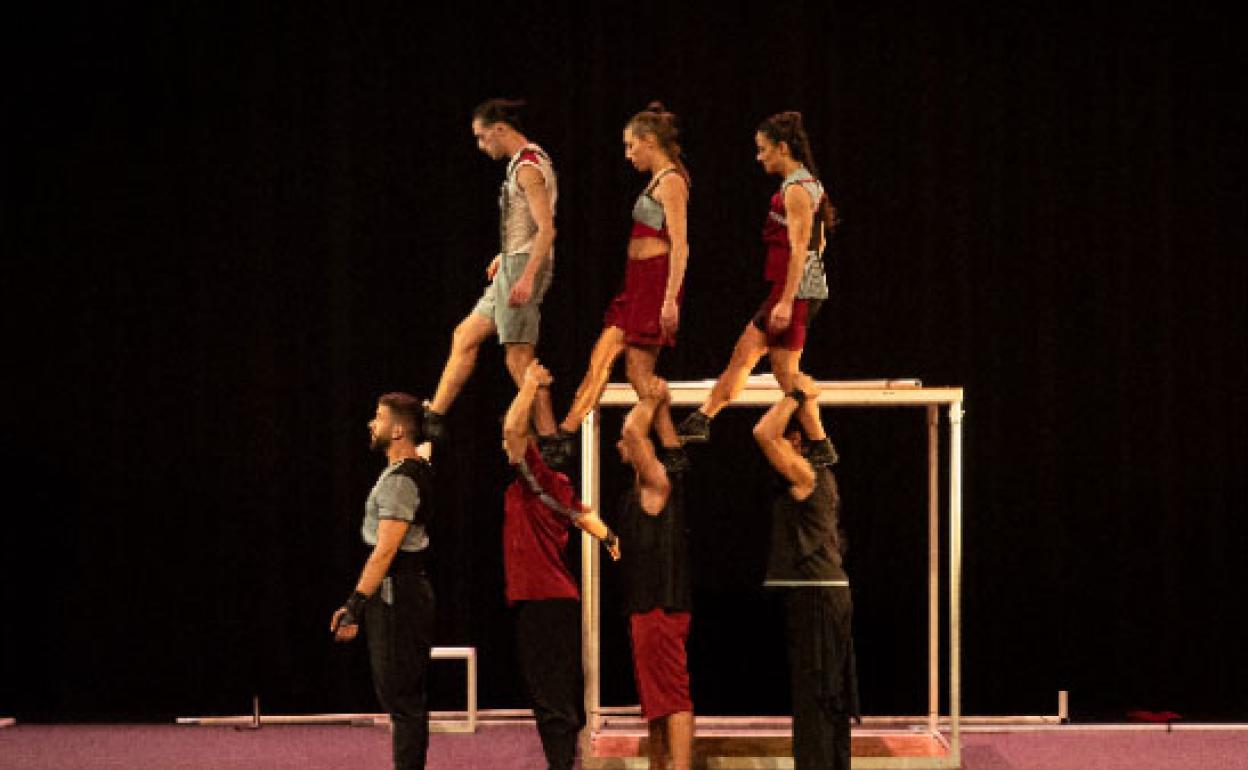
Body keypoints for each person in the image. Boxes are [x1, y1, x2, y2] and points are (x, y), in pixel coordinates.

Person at [678, 111, 837, 465]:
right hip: (794, 289)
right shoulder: (807, 185)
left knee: (784, 372)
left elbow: (801, 248)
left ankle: (819, 440)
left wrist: (785, 301)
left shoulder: (796, 189)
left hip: (792, 293)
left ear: (782, 148)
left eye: (764, 149)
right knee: (746, 354)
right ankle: (703, 418)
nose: (759, 156)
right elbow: (819, 242)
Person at [553, 102, 690, 469]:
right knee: (608, 360)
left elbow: (681, 244)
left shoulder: (672, 181)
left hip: (656, 284)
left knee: (634, 372)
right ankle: (568, 434)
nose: (628, 155)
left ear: (649, 141)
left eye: (631, 146)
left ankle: (568, 434)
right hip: (637, 282)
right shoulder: (657, 181)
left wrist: (670, 300)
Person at [502, 360, 622, 770]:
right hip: (547, 601)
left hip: (545, 602)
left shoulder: (535, 471)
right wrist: (608, 536)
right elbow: (582, 514)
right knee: (549, 693)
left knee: (551, 696)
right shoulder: (552, 484)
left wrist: (530, 385)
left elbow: (513, 431)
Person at [423, 98, 560, 451]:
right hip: (514, 264)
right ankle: (434, 417)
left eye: (484, 138)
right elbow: (527, 225)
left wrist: (526, 276)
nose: (482, 146)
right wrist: (505, 254)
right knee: (465, 335)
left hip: (524, 267)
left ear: (500, 130)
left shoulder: (529, 167)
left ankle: (550, 437)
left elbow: (546, 230)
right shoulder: (523, 162)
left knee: (518, 357)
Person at [753, 374, 858, 770]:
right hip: (824, 592)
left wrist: (795, 394)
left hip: (817, 594)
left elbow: (764, 433)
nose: (781, 448)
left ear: (796, 443)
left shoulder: (807, 474)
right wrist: (802, 390)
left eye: (789, 440)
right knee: (827, 692)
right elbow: (811, 422)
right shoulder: (823, 464)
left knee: (816, 694)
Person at [330, 392, 436, 770]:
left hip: (398, 592)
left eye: (378, 417)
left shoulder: (402, 480)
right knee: (401, 698)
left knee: (403, 699)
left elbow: (385, 551)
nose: (371, 424)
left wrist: (354, 605)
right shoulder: (411, 467)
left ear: (397, 431)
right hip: (399, 591)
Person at [612, 374, 694, 770]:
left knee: (672, 698)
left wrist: (650, 396)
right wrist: (661, 407)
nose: (619, 445)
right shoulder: (655, 483)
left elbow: (631, 429)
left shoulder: (657, 485)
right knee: (655, 702)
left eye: (625, 444)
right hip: (648, 608)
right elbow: (664, 442)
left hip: (660, 606)